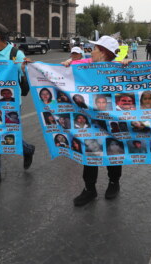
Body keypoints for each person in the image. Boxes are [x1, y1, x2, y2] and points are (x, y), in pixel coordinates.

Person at [62, 35, 127, 206]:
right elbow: (69, 68)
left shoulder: (118, 69)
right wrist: (67, 64)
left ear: (104, 53)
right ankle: (89, 189)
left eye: (96, 48)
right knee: (90, 150)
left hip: (111, 119)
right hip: (91, 120)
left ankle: (114, 182)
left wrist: (126, 64)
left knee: (113, 150)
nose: (92, 51)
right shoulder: (85, 65)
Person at [0, 23, 35, 190]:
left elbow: (26, 74)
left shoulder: (16, 55)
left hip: (10, 105)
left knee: (9, 135)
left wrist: (26, 68)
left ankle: (27, 149)